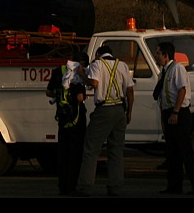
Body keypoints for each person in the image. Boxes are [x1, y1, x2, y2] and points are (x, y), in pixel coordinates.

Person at [76, 43, 134, 197]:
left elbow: (94, 83)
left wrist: (82, 74)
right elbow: (130, 90)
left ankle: (85, 187)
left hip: (104, 110)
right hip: (120, 109)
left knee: (91, 149)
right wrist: (129, 112)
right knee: (116, 151)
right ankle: (115, 187)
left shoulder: (97, 64)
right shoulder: (122, 65)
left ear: (98, 54)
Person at [153, 42, 194, 195]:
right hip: (168, 113)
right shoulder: (163, 71)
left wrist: (175, 112)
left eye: (158, 53)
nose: (156, 56)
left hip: (179, 113)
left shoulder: (177, 69)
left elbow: (181, 90)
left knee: (185, 150)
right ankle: (174, 186)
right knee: (172, 152)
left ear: (165, 55)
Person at [46, 46, 87, 195]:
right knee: (75, 154)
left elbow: (48, 92)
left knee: (63, 153)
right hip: (76, 118)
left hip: (62, 118)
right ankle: (72, 187)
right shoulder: (77, 73)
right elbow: (81, 97)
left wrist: (59, 95)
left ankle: (62, 186)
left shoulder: (58, 72)